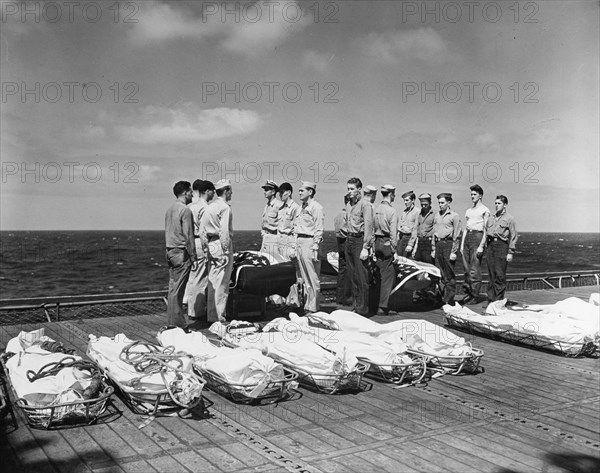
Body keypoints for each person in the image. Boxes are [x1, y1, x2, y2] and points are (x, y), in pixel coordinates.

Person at [200, 179, 234, 322]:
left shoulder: (209, 207)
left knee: (213, 282)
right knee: (222, 284)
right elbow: (224, 231)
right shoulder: (224, 208)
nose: (231, 193)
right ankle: (219, 317)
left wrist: (205, 246)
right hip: (220, 245)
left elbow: (202, 230)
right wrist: (226, 251)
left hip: (210, 244)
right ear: (226, 191)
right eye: (230, 190)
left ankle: (211, 315)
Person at [165, 181, 197, 328]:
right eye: (190, 192)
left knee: (172, 289)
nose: (192, 194)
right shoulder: (185, 210)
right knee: (178, 292)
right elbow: (188, 235)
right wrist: (193, 256)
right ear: (185, 193)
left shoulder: (170, 209)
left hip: (170, 251)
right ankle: (179, 325)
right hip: (181, 253)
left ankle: (172, 322)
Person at [183, 179, 215, 320]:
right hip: (201, 242)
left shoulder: (190, 206)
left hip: (190, 242)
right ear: (207, 191)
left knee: (192, 277)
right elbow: (205, 230)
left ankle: (190, 308)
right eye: (212, 191)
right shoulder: (206, 208)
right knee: (201, 279)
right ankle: (197, 312)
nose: (214, 194)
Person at [292, 181, 324, 313]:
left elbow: (319, 229)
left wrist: (316, 247)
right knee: (305, 277)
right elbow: (296, 227)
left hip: (309, 242)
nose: (299, 193)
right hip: (300, 241)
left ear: (310, 192)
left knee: (312, 276)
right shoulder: (301, 207)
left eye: (302, 190)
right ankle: (307, 305)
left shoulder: (316, 207)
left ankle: (314, 307)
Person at [345, 177, 374, 315]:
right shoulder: (349, 205)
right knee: (352, 276)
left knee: (362, 276)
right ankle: (356, 306)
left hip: (359, 241)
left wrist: (366, 247)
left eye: (352, 189)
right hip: (349, 240)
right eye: (348, 189)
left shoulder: (365, 205)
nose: (349, 191)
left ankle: (363, 309)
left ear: (359, 189)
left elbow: (369, 226)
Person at [460, 184, 490, 304]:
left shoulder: (485, 210)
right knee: (466, 268)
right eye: (471, 194)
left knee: (474, 269)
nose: (472, 196)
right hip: (468, 237)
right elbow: (466, 229)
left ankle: (475, 295)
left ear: (480, 196)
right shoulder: (469, 211)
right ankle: (468, 293)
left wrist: (482, 245)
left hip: (478, 237)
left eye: (474, 194)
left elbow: (486, 229)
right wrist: (462, 245)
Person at [486, 195, 518, 302]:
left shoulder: (509, 218)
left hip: (501, 246)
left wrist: (510, 252)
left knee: (499, 274)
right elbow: (486, 233)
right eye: (495, 203)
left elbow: (513, 236)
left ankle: (498, 300)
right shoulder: (491, 218)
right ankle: (491, 300)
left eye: (499, 203)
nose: (496, 205)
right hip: (490, 246)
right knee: (491, 274)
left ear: (505, 205)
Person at [432, 193, 461, 305]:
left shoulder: (454, 216)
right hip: (439, 244)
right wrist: (434, 248)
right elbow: (434, 233)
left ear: (449, 203)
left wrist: (454, 251)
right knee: (439, 273)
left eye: (442, 202)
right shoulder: (437, 216)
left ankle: (449, 300)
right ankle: (440, 298)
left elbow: (457, 235)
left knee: (449, 273)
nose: (440, 205)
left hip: (448, 244)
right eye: (439, 203)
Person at [374, 184, 399, 315]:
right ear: (391, 194)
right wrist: (394, 251)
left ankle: (375, 302)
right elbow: (393, 234)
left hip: (376, 242)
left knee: (378, 274)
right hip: (386, 243)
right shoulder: (392, 211)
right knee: (388, 275)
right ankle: (382, 306)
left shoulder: (375, 208)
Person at [333, 194, 352, 305]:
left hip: (339, 241)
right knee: (349, 270)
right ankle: (347, 298)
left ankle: (339, 297)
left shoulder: (338, 214)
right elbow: (347, 229)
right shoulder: (347, 214)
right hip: (346, 242)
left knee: (342, 270)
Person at [276, 182, 301, 262]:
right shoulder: (280, 208)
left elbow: (296, 230)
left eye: (282, 192)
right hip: (280, 243)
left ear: (289, 193)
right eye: (279, 193)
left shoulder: (295, 208)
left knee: (291, 269)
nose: (280, 195)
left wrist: (294, 249)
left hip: (289, 244)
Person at [260, 180, 282, 260]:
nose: (264, 192)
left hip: (274, 238)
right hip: (265, 238)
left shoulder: (279, 205)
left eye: (266, 190)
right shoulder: (267, 205)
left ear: (273, 191)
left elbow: (282, 224)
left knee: (273, 262)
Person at [412, 193, 435, 264]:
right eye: (422, 204)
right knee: (418, 264)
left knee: (428, 265)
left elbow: (435, 231)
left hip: (429, 243)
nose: (423, 206)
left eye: (426, 204)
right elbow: (415, 229)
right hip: (419, 242)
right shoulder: (419, 214)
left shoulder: (435, 214)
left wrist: (434, 249)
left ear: (430, 203)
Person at [397, 190, 420, 257]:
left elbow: (415, 229)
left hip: (409, 238)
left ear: (413, 200)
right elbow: (401, 225)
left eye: (407, 200)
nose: (405, 202)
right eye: (404, 200)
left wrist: (410, 244)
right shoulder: (404, 212)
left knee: (407, 259)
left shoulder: (417, 212)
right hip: (402, 238)